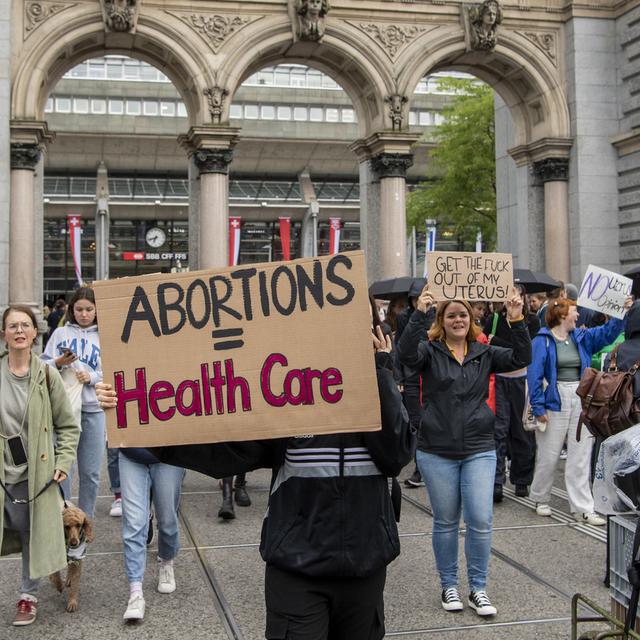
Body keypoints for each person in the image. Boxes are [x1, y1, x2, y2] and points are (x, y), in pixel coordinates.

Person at [97, 325, 414, 638]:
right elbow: (223, 446)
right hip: (297, 567)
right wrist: (135, 412)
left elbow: (397, 454)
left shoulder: (380, 391)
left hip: (365, 564)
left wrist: (380, 373)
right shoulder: (291, 400)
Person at [396, 286, 531, 617]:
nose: (458, 319)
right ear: (442, 320)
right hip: (437, 449)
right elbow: (406, 357)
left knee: (481, 520)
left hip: (479, 448)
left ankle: (478, 588)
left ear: (472, 319)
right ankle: (449, 585)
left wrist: (516, 318)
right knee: (445, 521)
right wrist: (419, 313)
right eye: (451, 314)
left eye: (463, 314)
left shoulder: (484, 352)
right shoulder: (429, 351)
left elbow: (520, 358)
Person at [0, 305, 79, 626]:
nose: (19, 331)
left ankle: (27, 597)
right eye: (12, 326)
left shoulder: (46, 374)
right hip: (2, 473)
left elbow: (68, 425)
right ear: (3, 334)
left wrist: (62, 460)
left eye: (25, 325)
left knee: (33, 537)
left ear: (35, 333)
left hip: (37, 476)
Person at [527, 297, 633, 525]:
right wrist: (538, 407)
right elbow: (535, 375)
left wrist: (619, 314)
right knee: (549, 453)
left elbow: (606, 333)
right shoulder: (542, 341)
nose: (578, 315)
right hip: (554, 399)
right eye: (575, 311)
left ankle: (583, 507)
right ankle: (540, 497)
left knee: (581, 455)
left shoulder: (581, 337)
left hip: (580, 397)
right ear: (562, 315)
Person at [42, 286, 104, 519]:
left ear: (97, 311)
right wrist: (59, 361)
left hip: (94, 410)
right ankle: (64, 516)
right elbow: (42, 366)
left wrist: (93, 377)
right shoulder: (60, 334)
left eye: (89, 309)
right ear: (71, 309)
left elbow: (114, 370)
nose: (84, 314)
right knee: (64, 468)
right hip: (65, 410)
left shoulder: (104, 335)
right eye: (79, 309)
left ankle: (85, 519)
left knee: (91, 473)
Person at [114, 447, 185, 621]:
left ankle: (166, 560)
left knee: (168, 520)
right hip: (131, 452)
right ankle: (135, 592)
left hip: (169, 453)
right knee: (134, 524)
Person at [484, 292, 540, 502]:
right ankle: (496, 481)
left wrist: (497, 341)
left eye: (517, 294)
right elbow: (486, 344)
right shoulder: (494, 319)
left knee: (522, 430)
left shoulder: (532, 320)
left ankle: (522, 479)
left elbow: (526, 350)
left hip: (521, 380)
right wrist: (503, 345)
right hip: (497, 379)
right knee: (497, 430)